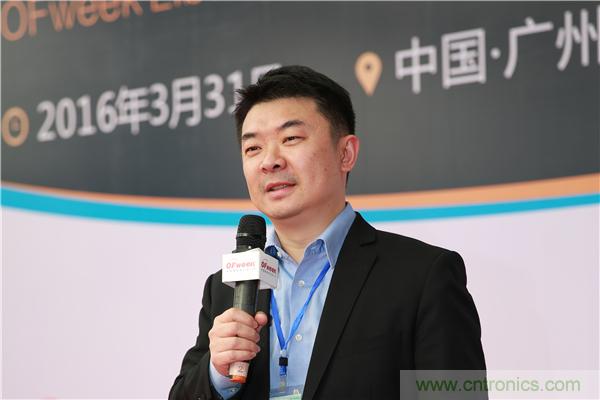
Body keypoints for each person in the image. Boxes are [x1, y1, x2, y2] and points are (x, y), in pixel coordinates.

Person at [169, 65, 486, 400]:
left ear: (345, 153)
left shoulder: (422, 276)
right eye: (253, 148)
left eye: (290, 138)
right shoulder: (225, 288)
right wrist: (216, 373)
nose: (269, 161)